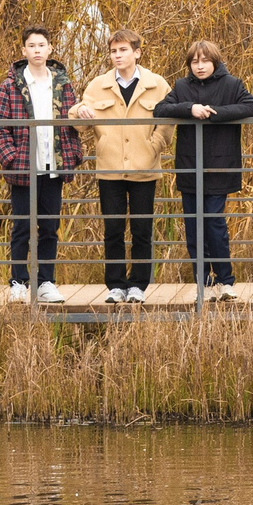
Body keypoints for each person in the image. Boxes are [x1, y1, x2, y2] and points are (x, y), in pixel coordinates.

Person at [70, 29, 172, 304]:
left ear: (137, 52)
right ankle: (115, 286)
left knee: (141, 230)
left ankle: (138, 285)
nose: (117, 55)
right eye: (114, 51)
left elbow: (168, 121)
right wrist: (79, 111)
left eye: (123, 50)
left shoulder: (157, 84)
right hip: (110, 168)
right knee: (112, 229)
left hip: (145, 168)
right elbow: (78, 123)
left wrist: (155, 145)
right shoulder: (97, 85)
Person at [155, 40, 253, 298]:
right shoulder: (182, 86)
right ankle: (202, 282)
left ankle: (225, 280)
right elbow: (160, 109)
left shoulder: (232, 84)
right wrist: (190, 109)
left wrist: (214, 113)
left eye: (204, 61)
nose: (200, 67)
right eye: (194, 62)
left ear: (215, 61)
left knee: (214, 223)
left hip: (221, 165)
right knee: (193, 226)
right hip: (190, 165)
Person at [0, 28, 83, 303]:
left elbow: (73, 122)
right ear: (24, 51)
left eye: (42, 45)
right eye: (32, 45)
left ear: (50, 49)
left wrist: (73, 154)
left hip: (53, 165)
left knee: (50, 227)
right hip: (24, 168)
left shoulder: (62, 84)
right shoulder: (11, 86)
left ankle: (45, 282)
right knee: (21, 226)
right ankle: (18, 282)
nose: (37, 50)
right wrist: (11, 159)